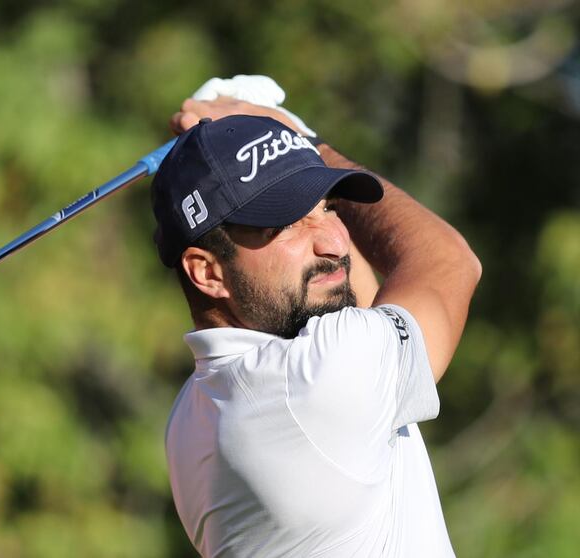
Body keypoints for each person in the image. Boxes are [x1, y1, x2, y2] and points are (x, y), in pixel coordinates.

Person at [150, 82, 482, 557]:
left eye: (325, 207)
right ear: (207, 272)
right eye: (282, 224)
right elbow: (449, 263)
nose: (335, 241)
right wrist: (305, 139)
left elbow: (365, 306)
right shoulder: (309, 386)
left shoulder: (193, 412)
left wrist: (291, 147)